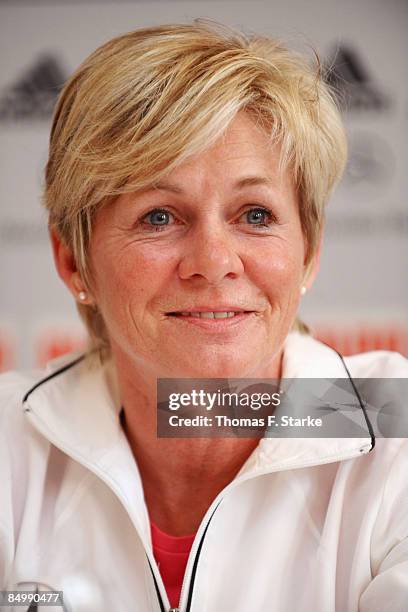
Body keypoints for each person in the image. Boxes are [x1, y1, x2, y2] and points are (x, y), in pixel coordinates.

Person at [1, 20, 407, 612]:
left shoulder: (396, 431)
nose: (214, 263)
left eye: (256, 215)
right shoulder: (9, 445)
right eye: (159, 216)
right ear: (74, 261)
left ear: (309, 253)